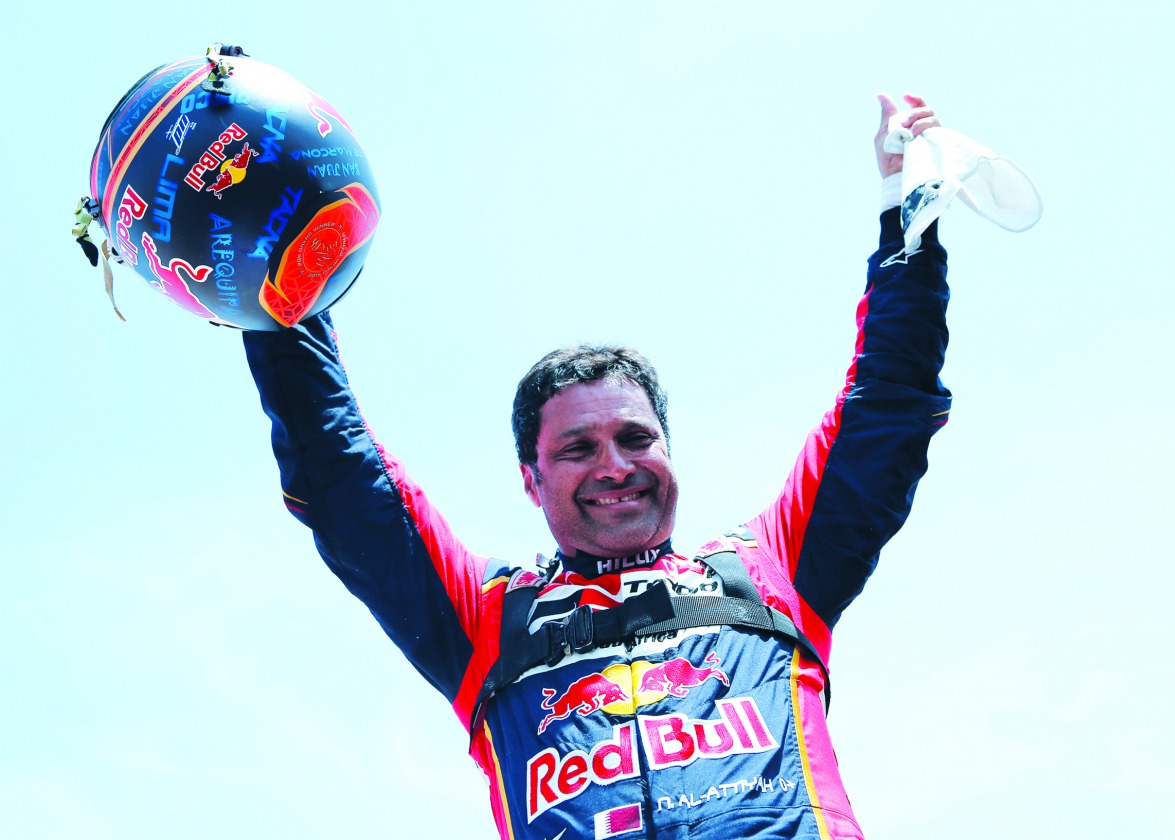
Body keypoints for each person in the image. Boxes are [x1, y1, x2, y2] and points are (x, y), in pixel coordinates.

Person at [243, 93, 949, 840]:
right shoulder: (485, 620)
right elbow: (344, 482)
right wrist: (274, 279)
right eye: (578, 449)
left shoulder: (771, 571)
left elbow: (886, 407)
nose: (616, 466)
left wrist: (908, 209)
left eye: (636, 439)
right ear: (532, 479)